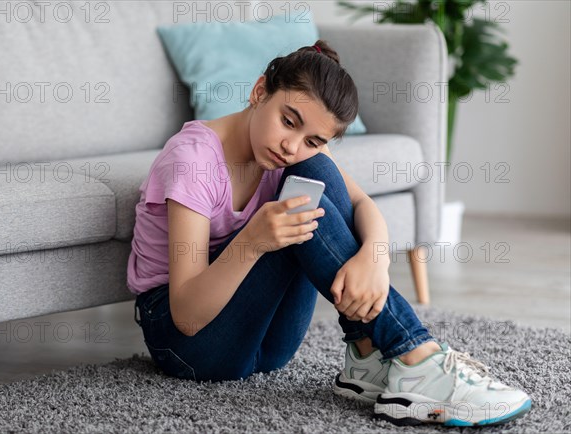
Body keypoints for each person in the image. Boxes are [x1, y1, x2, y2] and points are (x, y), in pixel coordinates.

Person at [127, 40, 531, 427]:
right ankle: (416, 355)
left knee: (318, 174)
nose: (291, 146)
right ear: (259, 91)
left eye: (313, 139)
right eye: (288, 121)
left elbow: (364, 206)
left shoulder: (299, 154)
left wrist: (375, 256)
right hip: (189, 348)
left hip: (268, 348)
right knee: (302, 198)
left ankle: (367, 354)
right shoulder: (192, 162)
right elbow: (186, 317)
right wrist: (252, 241)